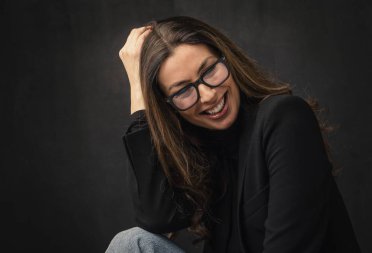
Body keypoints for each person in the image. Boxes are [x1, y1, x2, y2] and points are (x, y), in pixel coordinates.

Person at [106, 16, 361, 253]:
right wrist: (140, 97)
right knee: (133, 243)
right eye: (183, 91)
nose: (208, 95)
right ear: (167, 105)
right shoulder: (201, 155)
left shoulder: (285, 118)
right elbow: (158, 218)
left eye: (209, 71)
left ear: (226, 58)